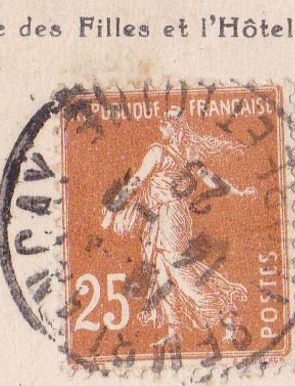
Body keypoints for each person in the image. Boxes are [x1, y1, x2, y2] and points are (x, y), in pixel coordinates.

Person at [101, 111, 257, 348]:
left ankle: (224, 312)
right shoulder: (186, 153)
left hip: (169, 217)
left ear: (176, 127)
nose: (160, 128)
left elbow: (136, 183)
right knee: (161, 271)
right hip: (163, 217)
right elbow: (210, 179)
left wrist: (112, 211)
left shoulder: (159, 152)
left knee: (179, 271)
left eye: (165, 124)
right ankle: (174, 330)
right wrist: (237, 192)